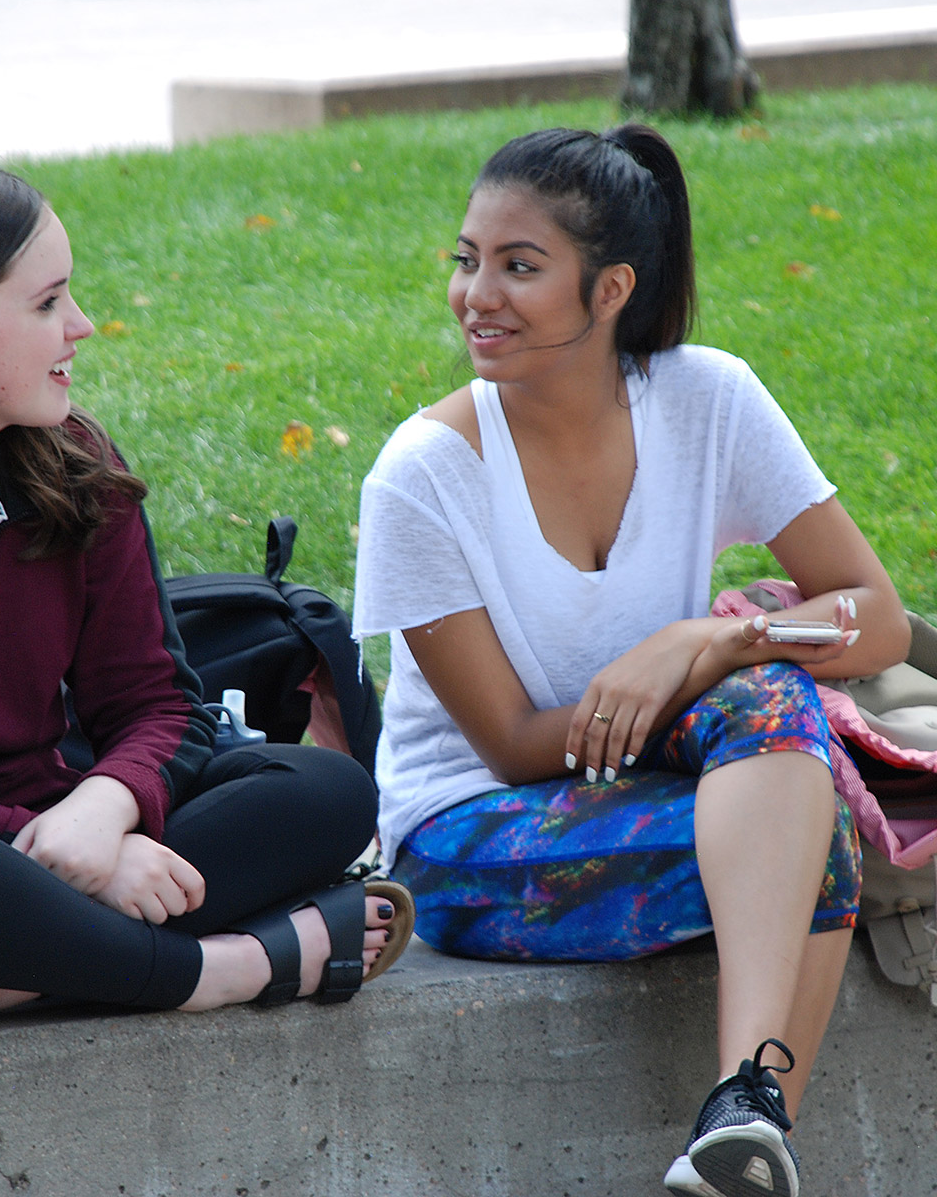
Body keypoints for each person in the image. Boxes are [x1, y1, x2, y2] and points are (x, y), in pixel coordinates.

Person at [0, 161, 414, 1046]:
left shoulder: (76, 465)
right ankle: (216, 970)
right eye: (48, 302)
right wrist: (65, 851)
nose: (82, 326)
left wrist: (106, 807)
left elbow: (159, 703)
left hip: (51, 818)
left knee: (322, 789)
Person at [352, 124, 909, 1197]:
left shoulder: (708, 399)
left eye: (520, 267)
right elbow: (513, 747)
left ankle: (740, 1128)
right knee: (816, 830)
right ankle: (753, 1120)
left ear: (609, 290)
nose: (478, 294)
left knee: (772, 692)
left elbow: (875, 615)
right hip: (466, 834)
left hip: (652, 781)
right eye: (468, 260)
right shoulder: (421, 478)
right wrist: (692, 679)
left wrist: (707, 638)